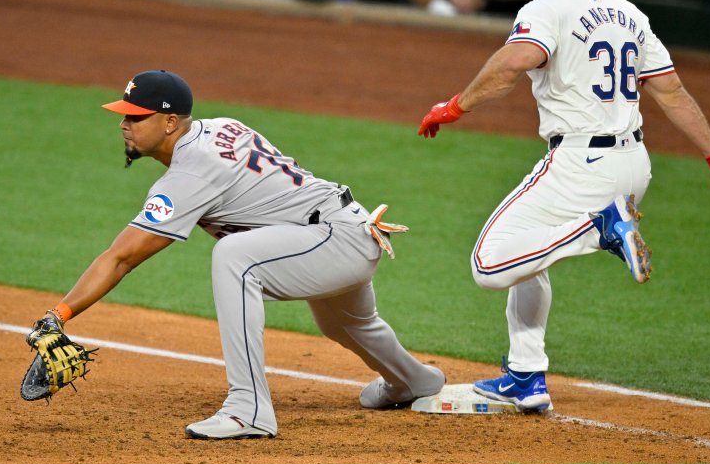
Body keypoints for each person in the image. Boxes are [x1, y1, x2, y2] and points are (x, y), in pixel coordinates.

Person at [417, 0, 710, 413]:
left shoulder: (549, 7)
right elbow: (671, 92)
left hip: (580, 164)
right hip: (634, 165)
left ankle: (600, 229)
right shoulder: (626, 10)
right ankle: (526, 378)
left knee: (489, 263)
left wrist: (455, 105)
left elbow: (514, 61)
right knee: (531, 252)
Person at [26, 70, 445, 439]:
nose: (124, 125)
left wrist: (58, 315)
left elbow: (121, 257)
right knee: (345, 323)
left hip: (333, 238)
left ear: (170, 122)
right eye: (123, 115)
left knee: (235, 258)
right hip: (340, 231)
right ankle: (412, 381)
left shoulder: (190, 171)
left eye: (136, 117)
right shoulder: (220, 126)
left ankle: (249, 410)